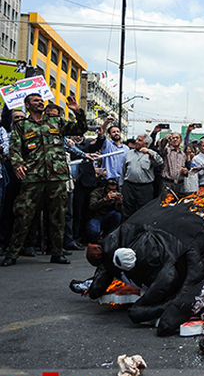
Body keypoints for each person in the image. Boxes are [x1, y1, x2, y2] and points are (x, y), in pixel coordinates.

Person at [81, 201, 204, 336]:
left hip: (201, 234)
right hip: (191, 221)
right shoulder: (125, 237)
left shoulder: (167, 270)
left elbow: (181, 300)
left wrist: (168, 309)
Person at [2, 94, 87, 266]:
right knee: (23, 215)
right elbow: (14, 148)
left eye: (41, 100)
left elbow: (80, 129)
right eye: (36, 101)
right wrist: (18, 164)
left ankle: (57, 252)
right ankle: (12, 254)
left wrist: (77, 112)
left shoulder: (56, 121)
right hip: (33, 177)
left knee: (58, 217)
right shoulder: (22, 125)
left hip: (56, 176)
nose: (40, 102)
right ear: (27, 105)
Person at [121, 133, 163, 218]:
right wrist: (121, 186)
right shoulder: (129, 153)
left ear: (146, 144)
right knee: (127, 211)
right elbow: (124, 171)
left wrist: (149, 153)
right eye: (136, 139)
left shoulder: (152, 154)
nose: (136, 142)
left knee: (143, 211)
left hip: (144, 188)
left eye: (139, 140)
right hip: (129, 186)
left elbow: (160, 162)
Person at [87, 178, 123, 242]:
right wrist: (104, 200)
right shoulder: (96, 192)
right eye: (109, 189)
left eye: (113, 190)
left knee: (118, 215)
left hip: (109, 215)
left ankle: (108, 236)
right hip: (97, 216)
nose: (111, 192)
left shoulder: (116, 194)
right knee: (94, 231)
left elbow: (120, 211)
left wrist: (120, 203)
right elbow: (92, 207)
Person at [97, 116, 128, 183]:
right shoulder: (107, 145)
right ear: (110, 135)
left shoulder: (126, 148)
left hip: (121, 180)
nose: (116, 133)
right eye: (113, 132)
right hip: (107, 179)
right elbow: (102, 133)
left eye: (118, 131)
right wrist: (106, 122)